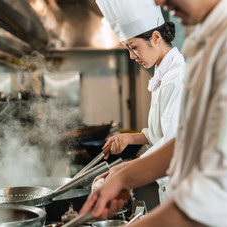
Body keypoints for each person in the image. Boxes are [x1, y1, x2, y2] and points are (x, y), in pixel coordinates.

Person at [81, 0, 227, 226]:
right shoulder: (215, 37)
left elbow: (220, 197)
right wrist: (127, 176)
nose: (157, 2)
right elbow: (195, 139)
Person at [94, 0, 185, 203]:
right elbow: (158, 133)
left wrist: (126, 169)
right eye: (127, 48)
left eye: (133, 47)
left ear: (155, 37)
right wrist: (129, 139)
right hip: (168, 183)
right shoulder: (163, 73)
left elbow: (171, 142)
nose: (132, 56)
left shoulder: (176, 78)